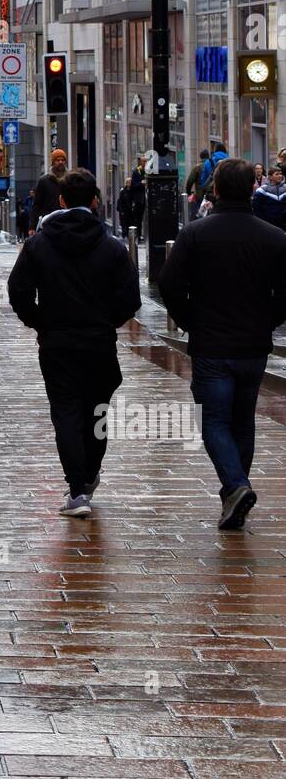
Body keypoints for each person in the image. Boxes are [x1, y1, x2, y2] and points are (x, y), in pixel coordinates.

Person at [159, 159, 286, 530]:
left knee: (214, 420)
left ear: (215, 190)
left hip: (211, 344)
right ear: (252, 189)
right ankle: (235, 494)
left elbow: (169, 282)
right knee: (242, 420)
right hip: (252, 345)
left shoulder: (195, 235)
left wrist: (187, 319)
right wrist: (269, 320)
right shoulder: (275, 238)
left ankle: (235, 486)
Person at [8, 168, 141, 518]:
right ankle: (88, 475)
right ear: (95, 201)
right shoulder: (112, 247)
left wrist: (41, 322)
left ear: (62, 201)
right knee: (96, 412)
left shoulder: (38, 244)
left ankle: (78, 489)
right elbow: (130, 299)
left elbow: (18, 291)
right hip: (99, 343)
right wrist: (106, 322)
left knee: (66, 413)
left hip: (57, 343)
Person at [29, 149, 68, 234]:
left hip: (67, 221)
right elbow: (37, 204)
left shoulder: (70, 179)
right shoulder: (44, 181)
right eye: (58, 160)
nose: (61, 162)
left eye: (63, 160)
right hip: (49, 222)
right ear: (53, 162)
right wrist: (32, 226)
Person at [252, 164, 286, 231]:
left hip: (283, 225)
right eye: (277, 174)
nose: (280, 176)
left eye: (281, 174)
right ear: (270, 177)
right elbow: (256, 208)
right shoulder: (262, 190)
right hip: (268, 225)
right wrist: (263, 221)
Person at [185, 149, 210, 221]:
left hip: (200, 195)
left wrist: (188, 192)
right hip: (210, 195)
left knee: (201, 214)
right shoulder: (212, 165)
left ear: (200, 157)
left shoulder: (197, 167)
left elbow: (190, 181)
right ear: (208, 156)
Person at [128, 167, 146, 241]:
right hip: (138, 202)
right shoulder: (136, 173)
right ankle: (137, 236)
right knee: (137, 220)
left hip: (143, 201)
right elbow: (133, 186)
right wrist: (141, 183)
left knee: (140, 219)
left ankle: (140, 236)